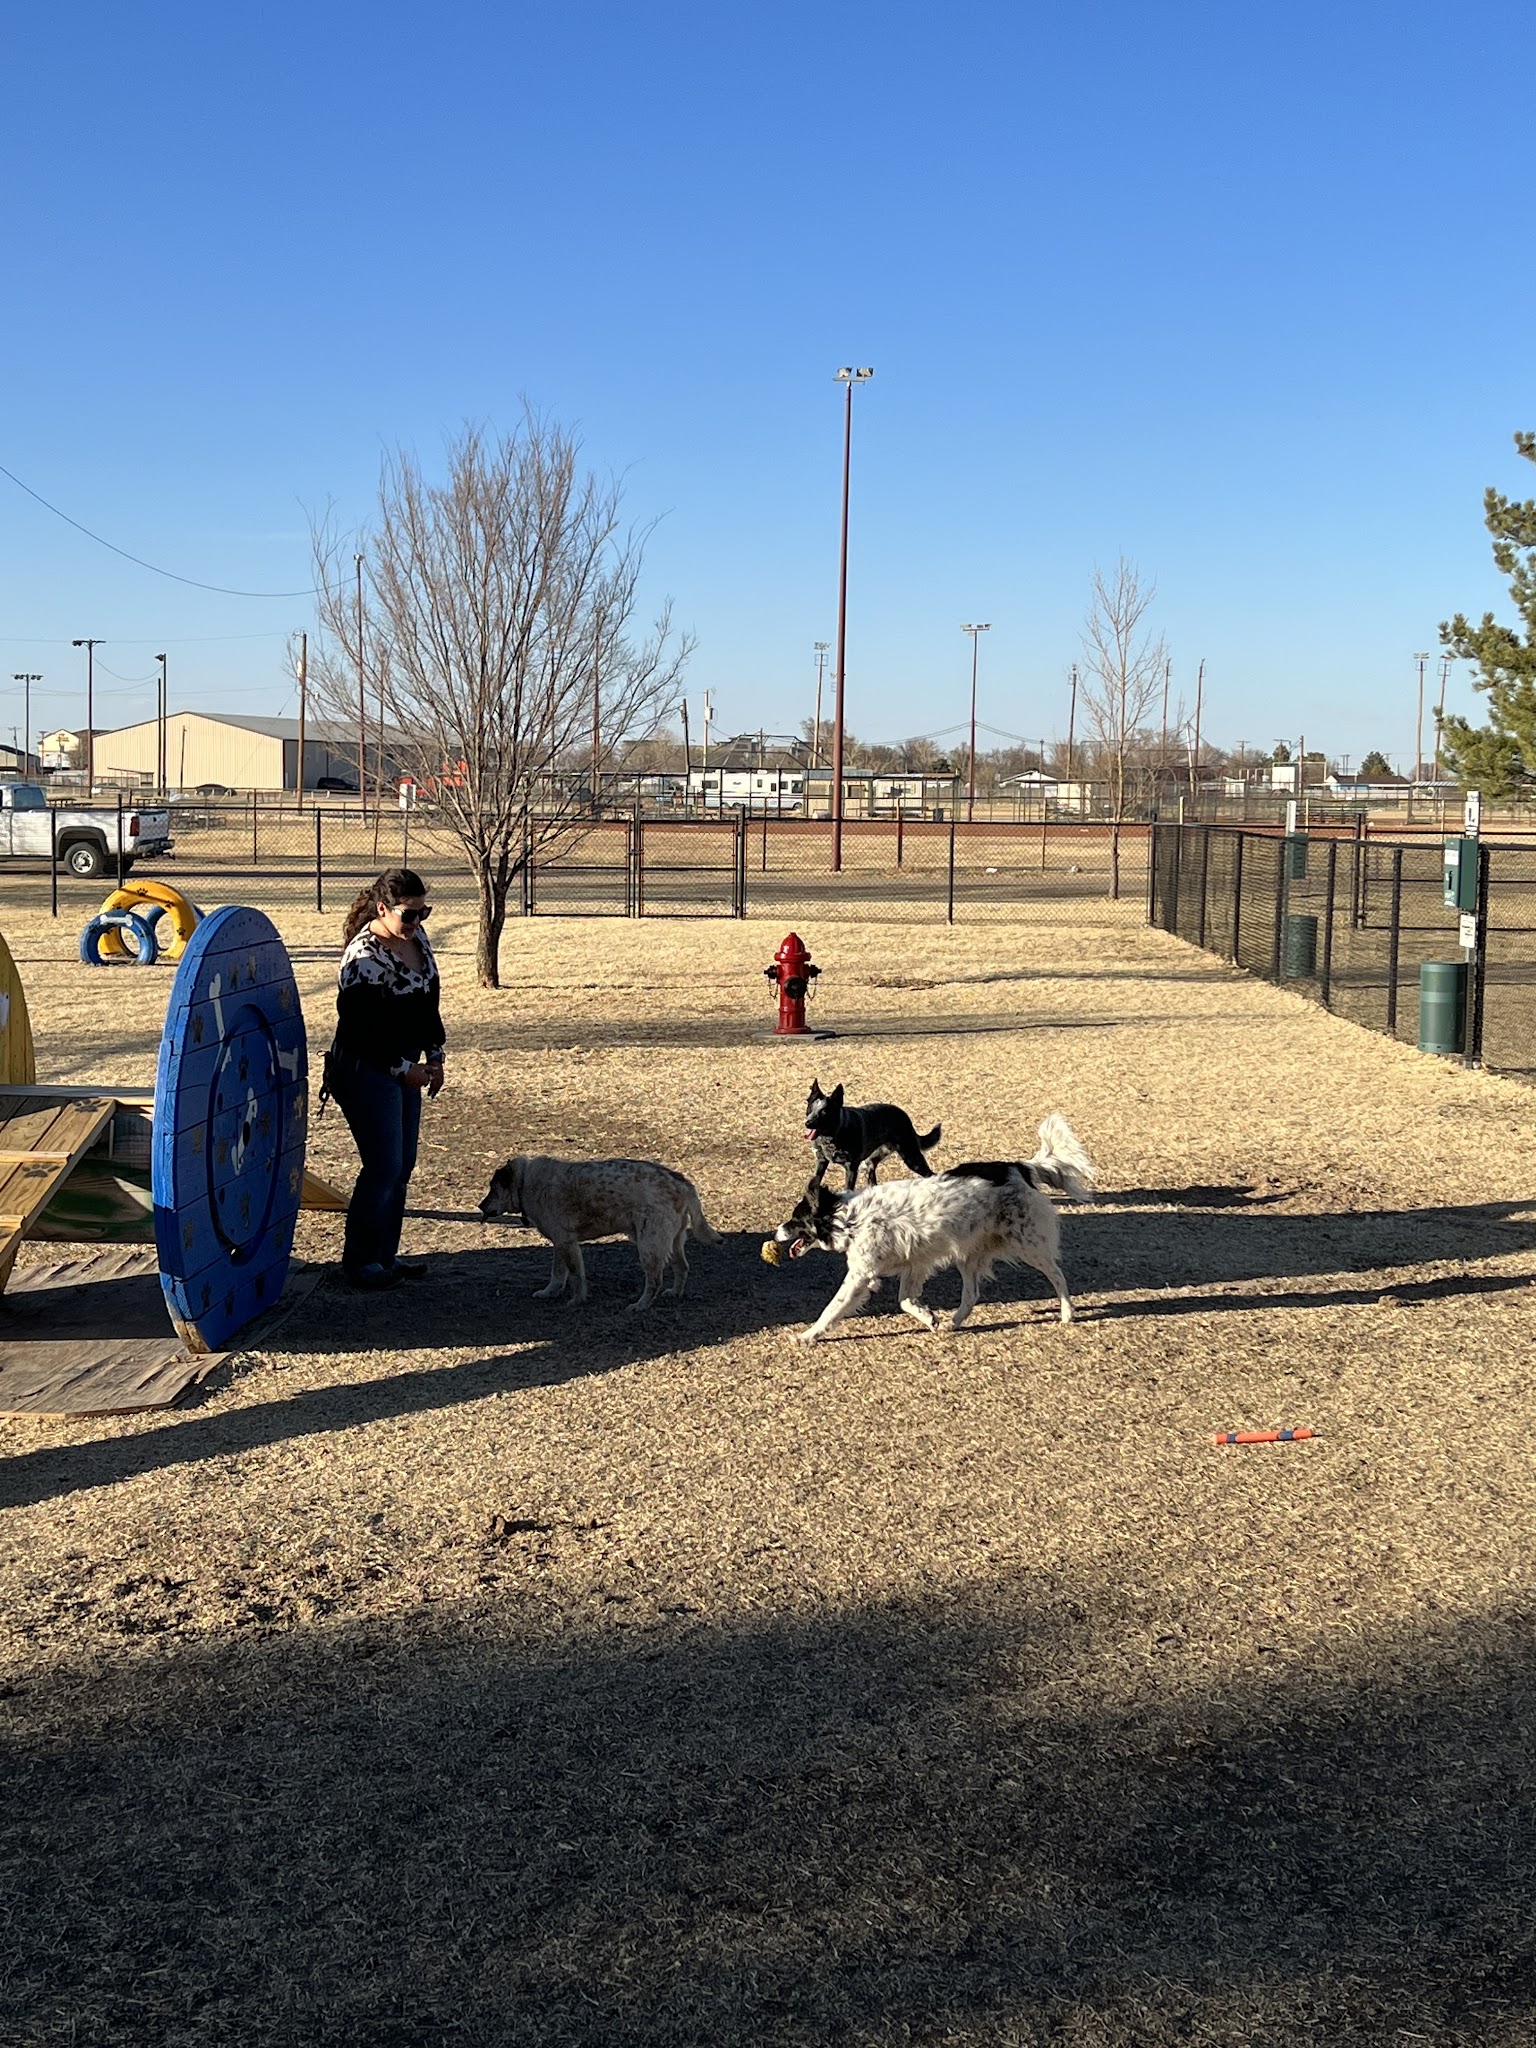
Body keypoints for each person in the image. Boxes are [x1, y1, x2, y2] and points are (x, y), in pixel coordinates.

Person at [326, 868, 445, 1290]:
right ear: (382, 909)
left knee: (403, 1166)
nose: (417, 923)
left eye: (423, 912)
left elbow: (429, 1000)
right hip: (364, 1068)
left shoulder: (416, 939)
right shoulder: (364, 958)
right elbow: (360, 1032)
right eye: (409, 915)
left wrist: (434, 1054)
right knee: (383, 1166)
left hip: (403, 1066)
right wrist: (403, 1069)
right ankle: (360, 1260)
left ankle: (385, 1257)